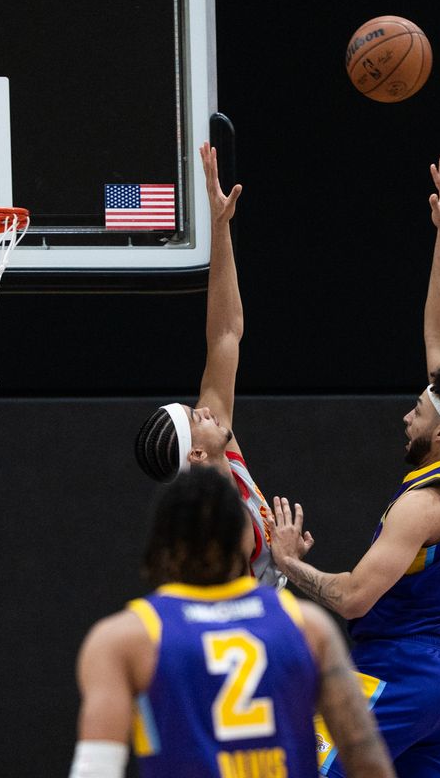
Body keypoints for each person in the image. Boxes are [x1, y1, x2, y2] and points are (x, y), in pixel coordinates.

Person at [268, 155, 440, 778]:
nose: (405, 417)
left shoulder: (424, 505)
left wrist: (288, 562)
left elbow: (354, 598)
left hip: (396, 674)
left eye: (415, 412)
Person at [69, 466, 396, 778]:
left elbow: (96, 770)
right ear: (245, 541)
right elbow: (366, 760)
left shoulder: (126, 638)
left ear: (163, 543)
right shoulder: (306, 625)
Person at [133, 142, 283, 587]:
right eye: (194, 416)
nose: (203, 409)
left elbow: (225, 334)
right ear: (196, 454)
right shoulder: (216, 526)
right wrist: (288, 561)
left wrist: (221, 228)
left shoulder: (221, 456)